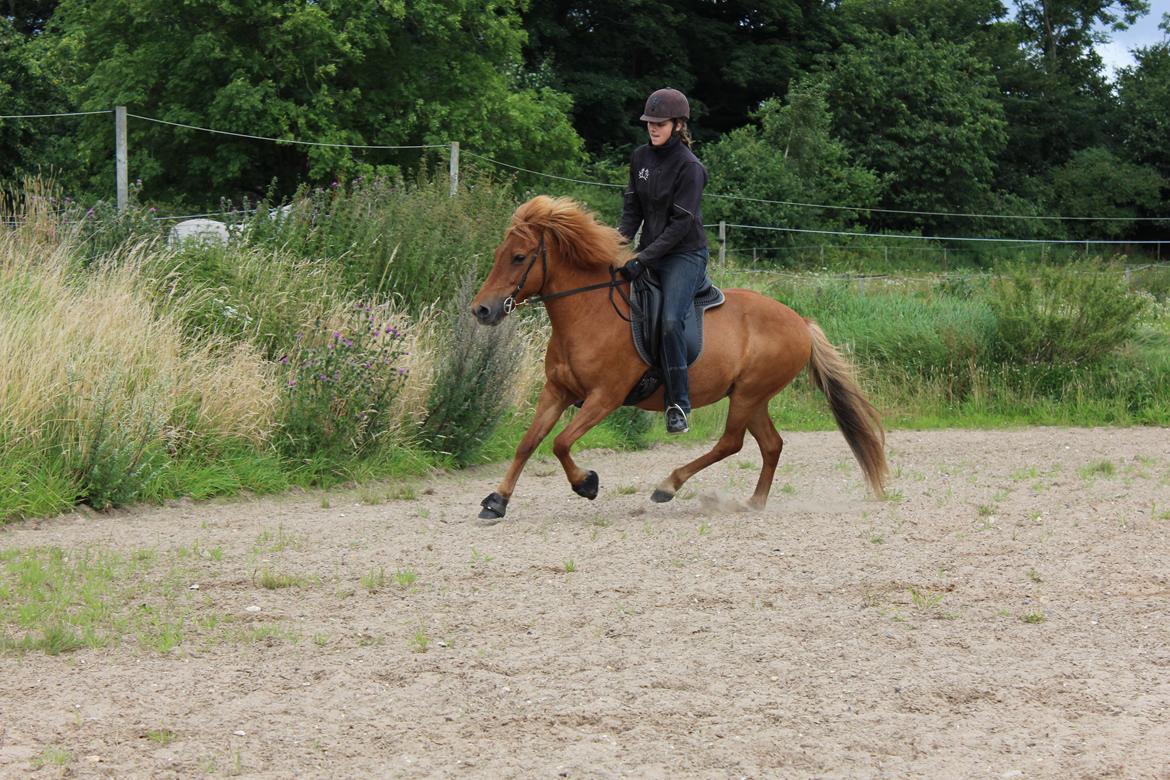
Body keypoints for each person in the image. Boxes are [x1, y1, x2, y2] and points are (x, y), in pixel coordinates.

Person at [617, 87, 709, 435]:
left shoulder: (690, 167)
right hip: (648, 251)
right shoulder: (640, 157)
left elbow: (679, 225)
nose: (653, 128)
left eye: (660, 122)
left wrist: (643, 257)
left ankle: (678, 404)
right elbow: (632, 211)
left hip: (684, 255)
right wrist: (616, 245)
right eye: (649, 122)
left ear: (678, 124)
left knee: (671, 320)